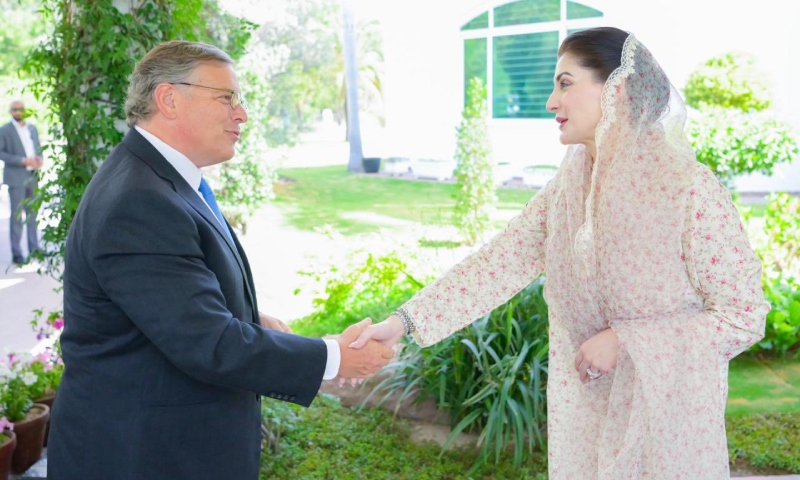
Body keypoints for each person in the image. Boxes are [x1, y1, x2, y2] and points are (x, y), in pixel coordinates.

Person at [351, 27, 769, 479]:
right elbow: (497, 264)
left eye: (565, 83)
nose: (552, 101)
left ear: (618, 89)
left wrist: (627, 340)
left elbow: (742, 315)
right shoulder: (567, 188)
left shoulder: (688, 189)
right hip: (585, 425)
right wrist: (403, 323)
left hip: (668, 433)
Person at [47, 40, 393, 480]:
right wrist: (334, 359)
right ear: (169, 98)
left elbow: (175, 295)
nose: (242, 114)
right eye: (226, 98)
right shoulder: (139, 200)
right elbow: (208, 343)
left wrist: (250, 315)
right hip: (144, 456)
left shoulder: (161, 179)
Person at [0, 100, 43, 265]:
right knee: (17, 216)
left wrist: (39, 159)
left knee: (33, 214)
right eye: (14, 109)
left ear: (24, 110)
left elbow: (38, 148)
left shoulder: (32, 128)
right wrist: (23, 160)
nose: (17, 112)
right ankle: (17, 253)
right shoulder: (4, 130)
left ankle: (34, 248)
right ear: (10, 111)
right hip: (16, 178)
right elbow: (1, 153)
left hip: (33, 177)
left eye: (20, 109)